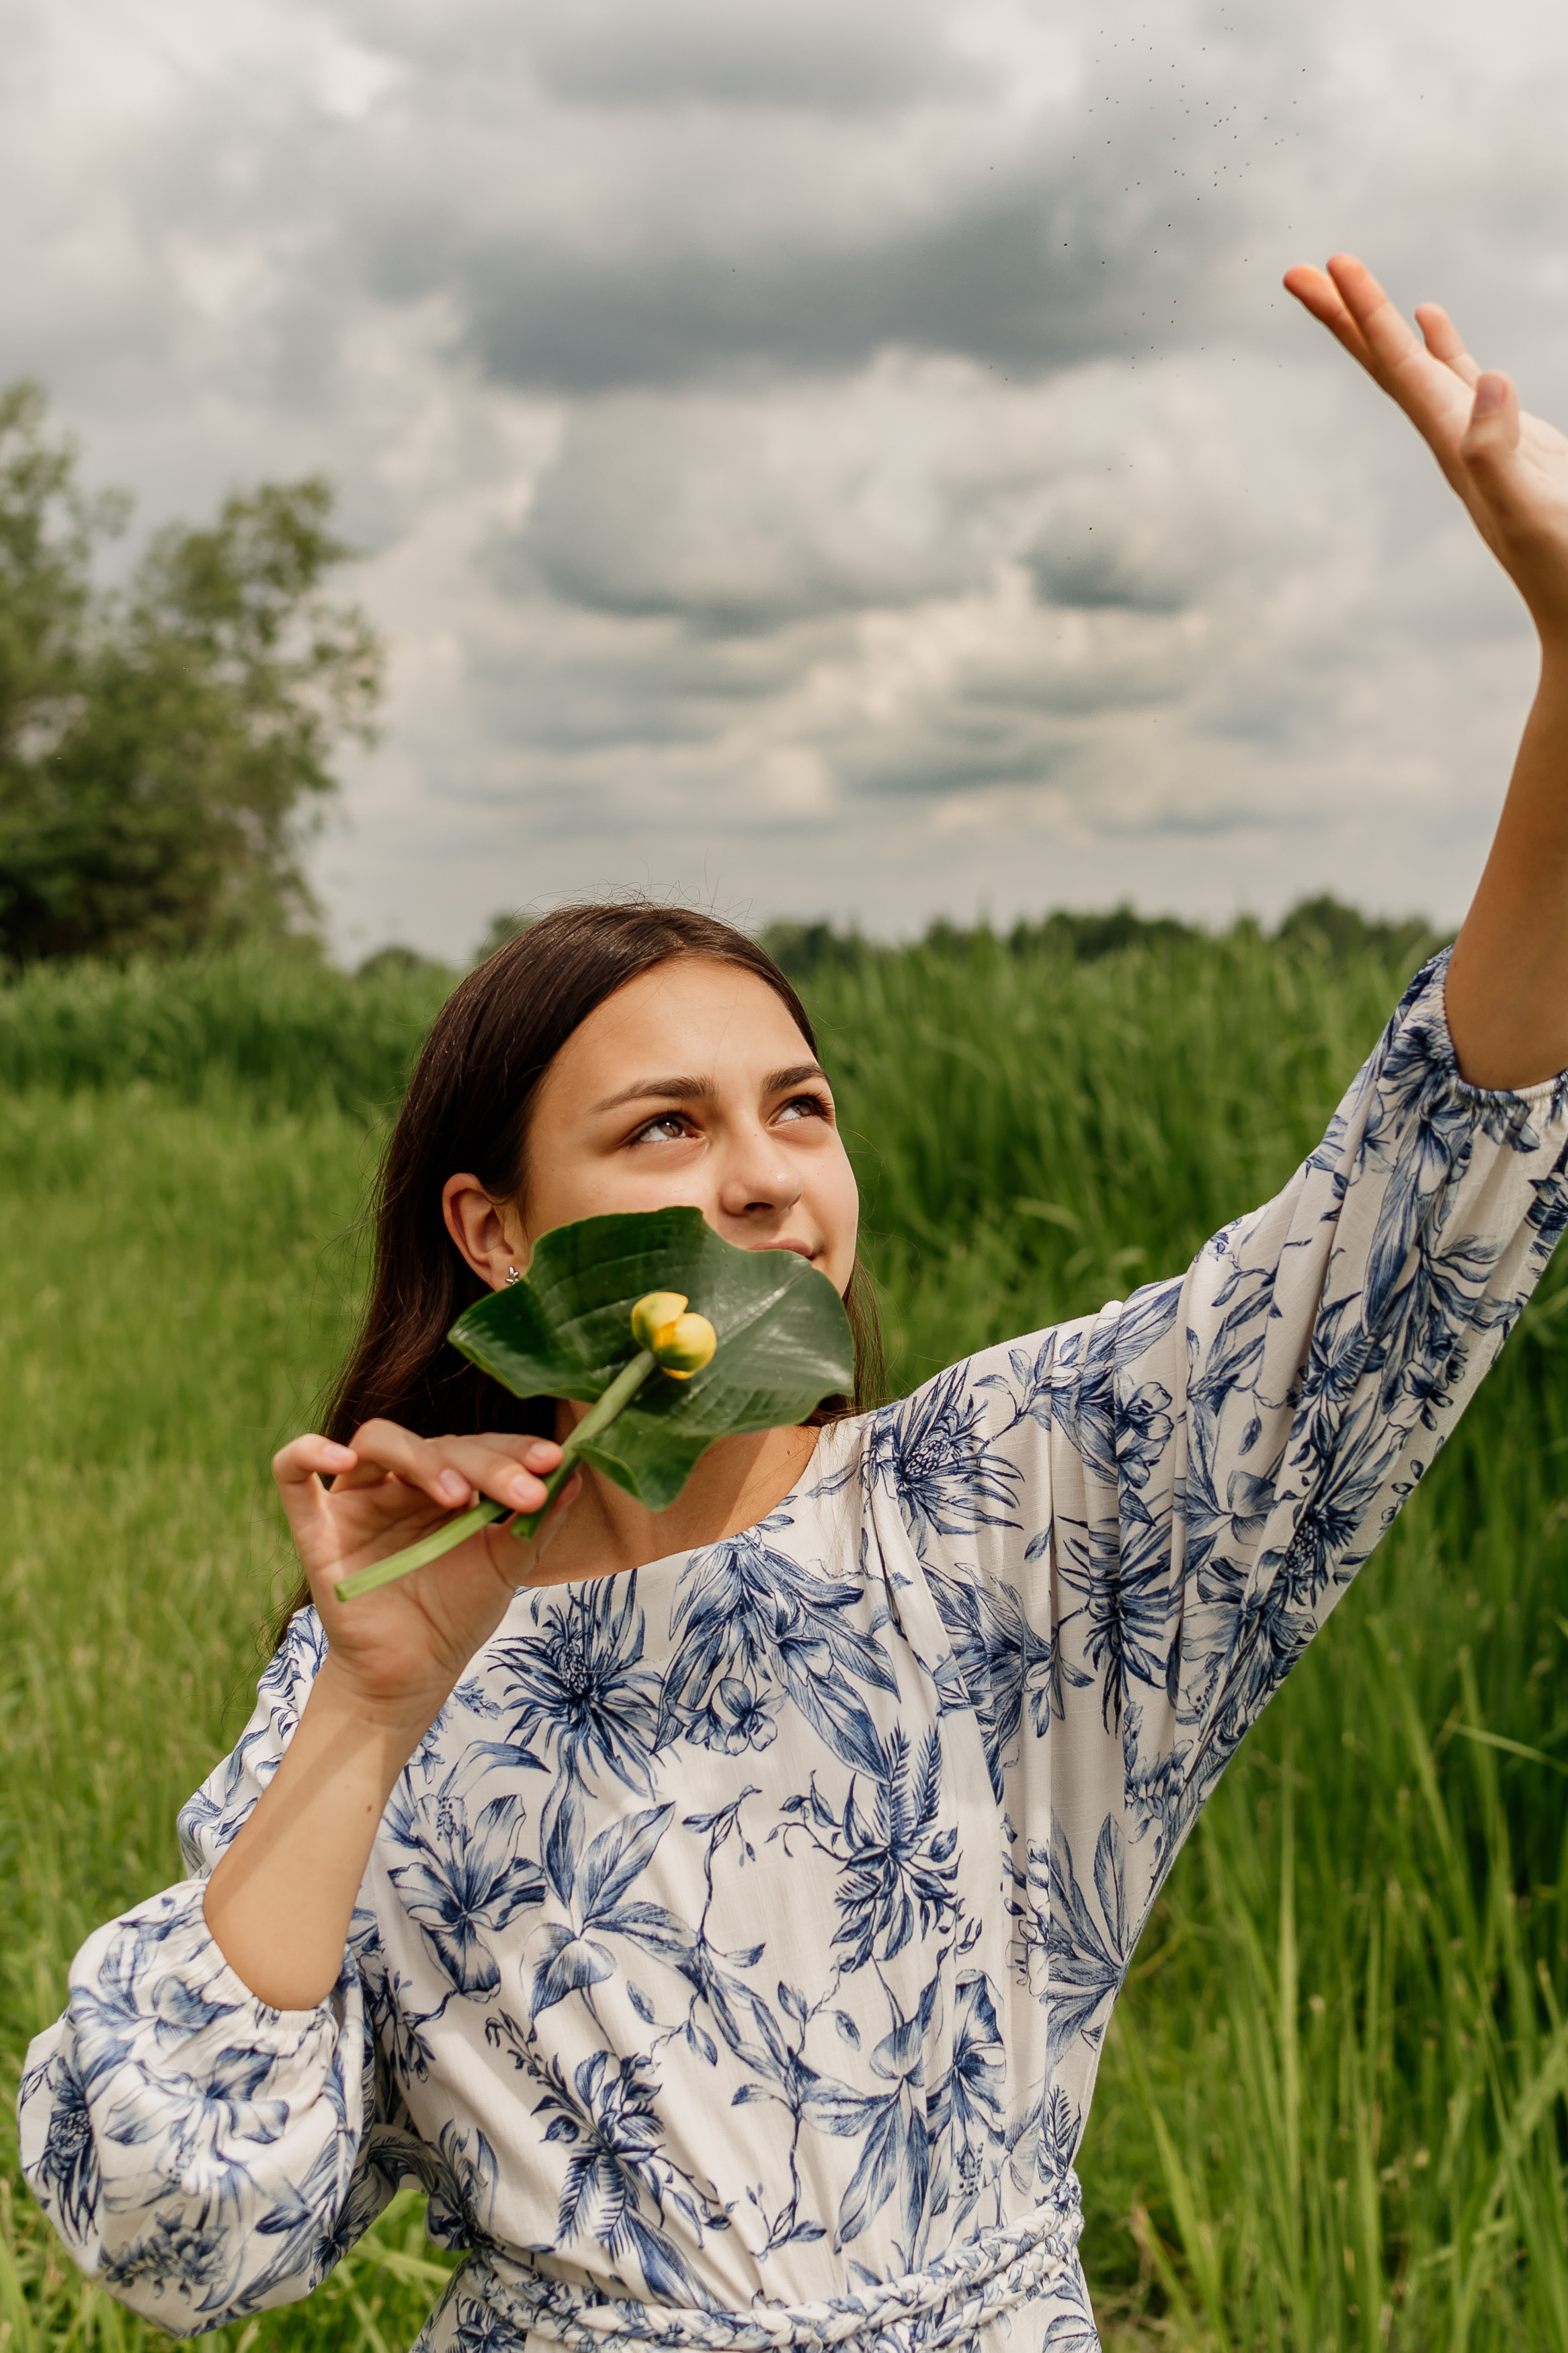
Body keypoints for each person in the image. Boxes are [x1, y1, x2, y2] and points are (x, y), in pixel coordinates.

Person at [17, 255, 1568, 2352]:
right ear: (493, 1233)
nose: (765, 1172)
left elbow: (1410, 1212)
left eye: (802, 1107)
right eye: (662, 1128)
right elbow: (172, 2230)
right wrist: (367, 1713)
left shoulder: (1004, 1506)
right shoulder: (397, 1642)